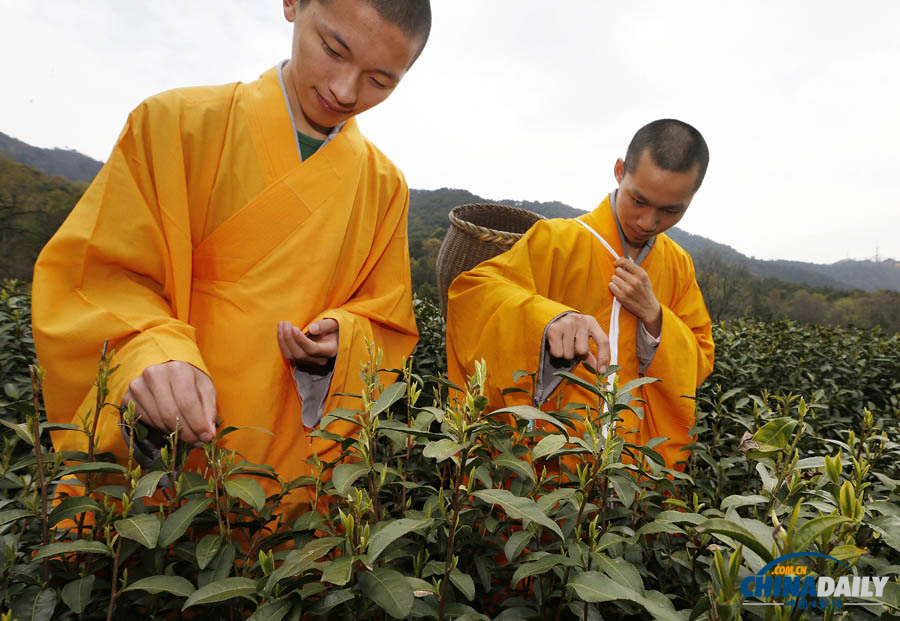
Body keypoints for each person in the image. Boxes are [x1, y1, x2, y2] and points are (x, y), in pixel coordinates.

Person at [31, 0, 430, 517]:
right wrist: (151, 352)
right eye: (334, 50)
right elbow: (93, 279)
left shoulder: (385, 189)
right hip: (161, 467)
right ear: (292, 5)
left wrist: (343, 341)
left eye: (380, 81)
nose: (345, 90)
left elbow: (388, 320)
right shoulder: (173, 125)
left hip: (290, 476)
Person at [445, 119, 715, 470]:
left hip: (635, 471)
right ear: (620, 171)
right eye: (639, 201)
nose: (648, 222)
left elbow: (700, 358)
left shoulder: (679, 266)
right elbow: (472, 295)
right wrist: (546, 319)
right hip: (547, 466)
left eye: (670, 210)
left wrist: (655, 317)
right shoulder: (556, 240)